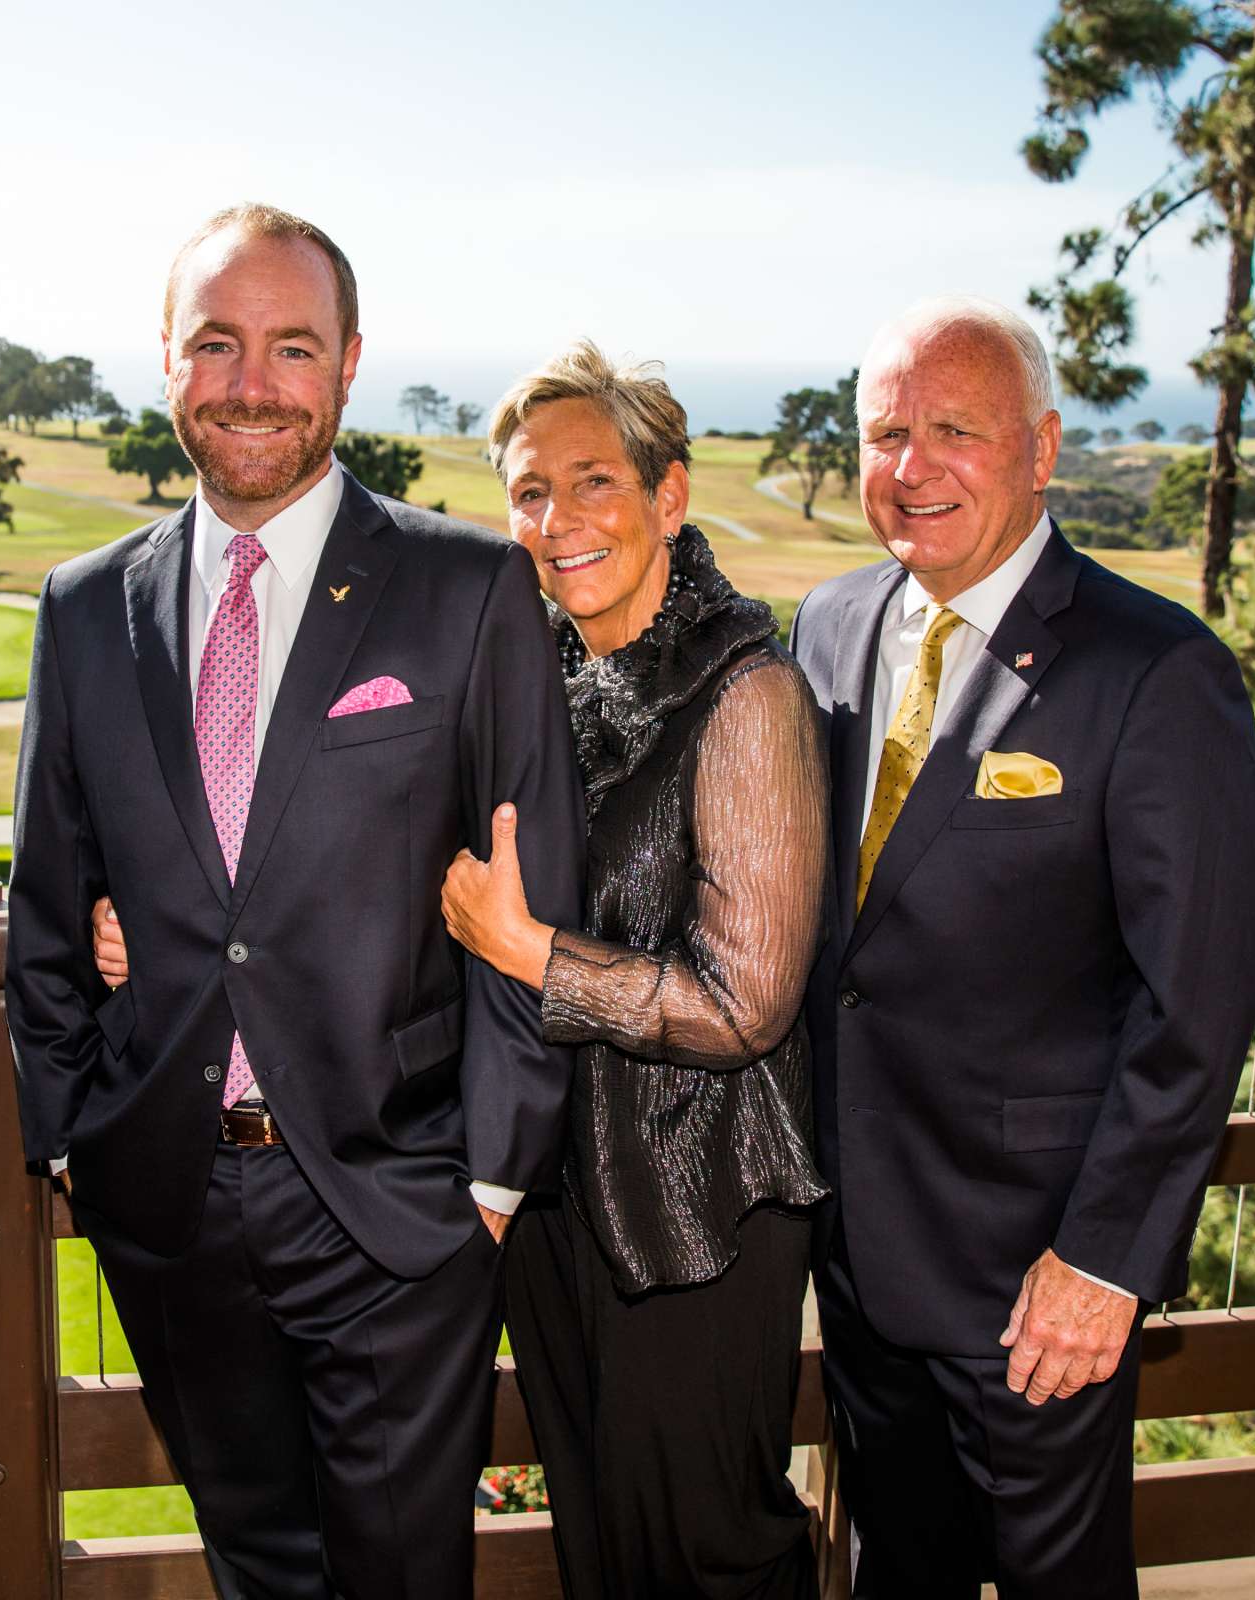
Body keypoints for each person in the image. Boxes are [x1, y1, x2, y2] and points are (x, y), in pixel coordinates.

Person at [4, 204, 584, 1600]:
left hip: (398, 1204)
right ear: (165, 362)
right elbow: (46, 909)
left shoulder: (467, 587)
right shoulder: (85, 609)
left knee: (401, 1577)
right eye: (216, 343)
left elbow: (538, 884)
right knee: (256, 1564)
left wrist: (493, 1178)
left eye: (290, 346)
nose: (251, 381)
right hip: (172, 1204)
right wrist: (83, 1139)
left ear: (349, 362)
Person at [788, 296, 1255, 1598]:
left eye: (957, 430)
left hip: (1037, 1280)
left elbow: (1200, 1004)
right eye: (889, 432)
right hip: (861, 1244)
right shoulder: (826, 626)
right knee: (902, 1569)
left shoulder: (1156, 671)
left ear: (1042, 447)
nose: (913, 466)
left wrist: (1107, 1256)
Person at [440, 344, 828, 1598]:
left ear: (668, 497)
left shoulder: (747, 690)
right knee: (600, 1547)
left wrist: (534, 953)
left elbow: (747, 1002)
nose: (557, 521)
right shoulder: (538, 675)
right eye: (529, 490)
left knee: (711, 1553)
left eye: (593, 481)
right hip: (554, 1196)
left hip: (696, 1207)